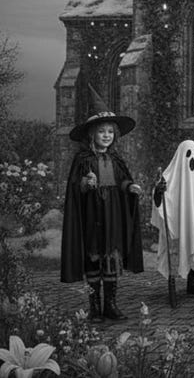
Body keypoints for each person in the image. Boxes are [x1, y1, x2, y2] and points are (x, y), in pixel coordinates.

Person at [61, 85, 144, 322]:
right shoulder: (83, 159)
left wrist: (130, 187)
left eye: (110, 132)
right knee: (93, 256)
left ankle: (110, 304)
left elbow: (122, 180)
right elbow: (75, 188)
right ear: (91, 134)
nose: (106, 135)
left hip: (113, 214)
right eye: (101, 131)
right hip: (91, 214)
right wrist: (86, 183)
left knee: (111, 257)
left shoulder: (115, 159)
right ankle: (95, 306)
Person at [152, 140, 194, 299]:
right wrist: (159, 192)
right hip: (178, 224)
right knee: (177, 247)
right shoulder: (168, 177)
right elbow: (159, 202)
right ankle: (173, 280)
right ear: (180, 156)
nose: (192, 158)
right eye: (188, 154)